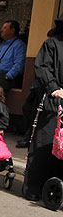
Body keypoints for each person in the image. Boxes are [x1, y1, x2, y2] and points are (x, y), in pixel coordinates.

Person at [23, 14, 63, 201]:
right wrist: (54, 88)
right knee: (45, 145)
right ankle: (34, 186)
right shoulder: (52, 44)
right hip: (53, 103)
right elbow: (43, 67)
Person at [0, 20, 26, 92]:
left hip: (6, 76)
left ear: (12, 30)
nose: (1, 30)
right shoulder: (3, 45)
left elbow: (19, 64)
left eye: (4, 28)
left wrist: (8, 76)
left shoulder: (19, 45)